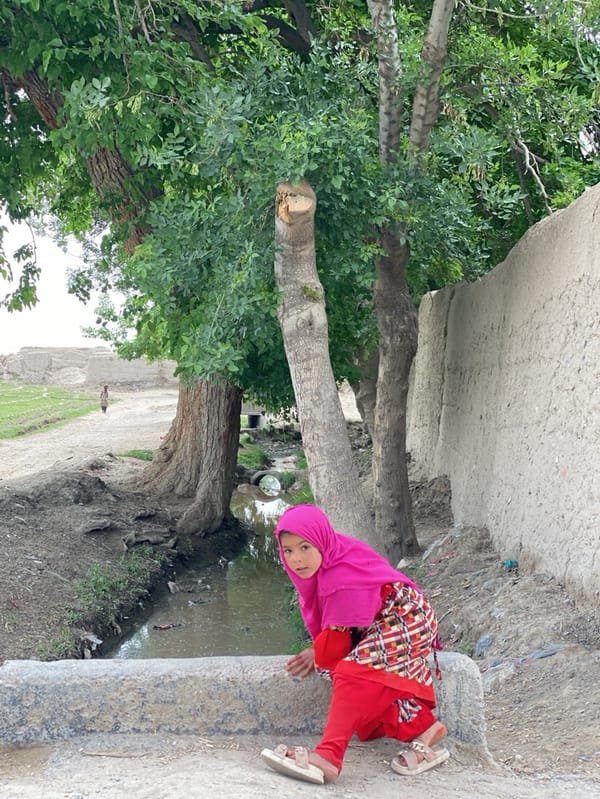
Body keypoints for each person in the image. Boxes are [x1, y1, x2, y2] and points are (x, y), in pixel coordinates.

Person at [260, 503, 448, 785]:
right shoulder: (329, 559)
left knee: (351, 672)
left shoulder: (338, 577)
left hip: (407, 617)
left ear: (320, 540)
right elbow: (338, 636)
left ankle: (328, 756)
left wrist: (317, 653)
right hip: (379, 622)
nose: (297, 559)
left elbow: (336, 643)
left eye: (305, 547)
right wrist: (321, 654)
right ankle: (427, 728)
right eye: (288, 551)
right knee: (359, 682)